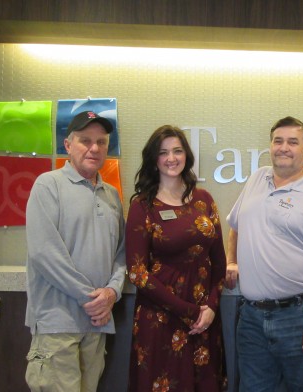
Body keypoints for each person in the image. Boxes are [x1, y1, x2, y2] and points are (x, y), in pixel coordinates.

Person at [225, 116, 303, 392]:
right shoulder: (257, 179)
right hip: (252, 319)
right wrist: (232, 261)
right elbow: (235, 226)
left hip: (300, 317)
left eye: (293, 142)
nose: (284, 147)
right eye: (278, 141)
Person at [25, 111, 126, 392]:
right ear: (68, 146)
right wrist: (92, 298)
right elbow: (45, 253)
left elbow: (121, 254)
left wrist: (112, 293)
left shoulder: (112, 196)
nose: (94, 148)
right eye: (85, 141)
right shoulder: (48, 185)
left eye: (101, 142)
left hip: (96, 324)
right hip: (57, 324)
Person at [126, 125, 226, 391]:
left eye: (177, 150)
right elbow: (136, 272)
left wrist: (211, 308)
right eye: (163, 152)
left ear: (186, 155)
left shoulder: (204, 199)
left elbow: (219, 261)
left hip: (204, 319)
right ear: (154, 159)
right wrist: (189, 312)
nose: (171, 158)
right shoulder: (142, 205)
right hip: (160, 318)